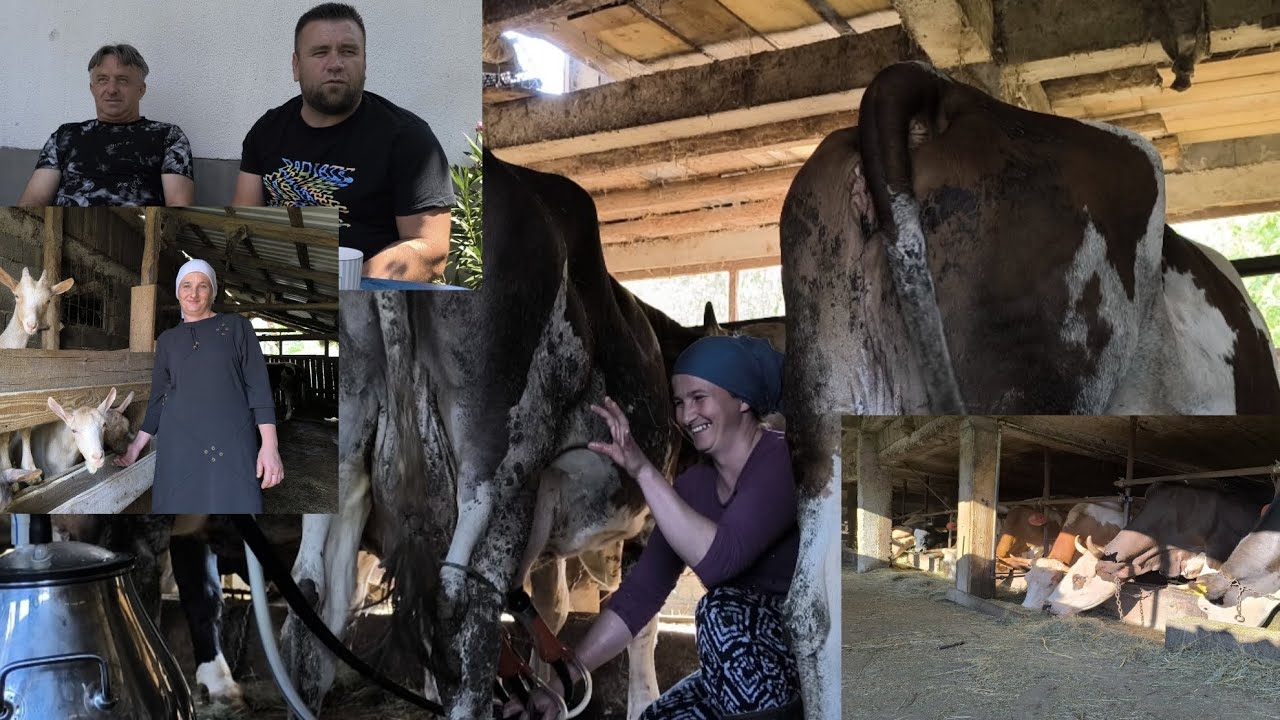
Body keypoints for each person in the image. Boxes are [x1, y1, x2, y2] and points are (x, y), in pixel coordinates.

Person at [507, 335, 802, 720]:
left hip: (804, 654)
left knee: (720, 611)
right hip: (743, 671)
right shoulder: (693, 487)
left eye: (699, 398)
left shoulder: (782, 457)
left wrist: (643, 470)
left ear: (742, 399)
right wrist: (564, 679)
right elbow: (639, 596)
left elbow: (721, 560)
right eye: (679, 403)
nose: (686, 416)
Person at [232, 2, 455, 283]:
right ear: (296, 66)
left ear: (364, 63)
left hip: (367, 298)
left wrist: (347, 284)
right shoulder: (266, 131)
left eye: (348, 52)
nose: (335, 64)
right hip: (284, 287)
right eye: (320, 52)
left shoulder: (409, 139)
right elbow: (244, 221)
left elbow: (430, 250)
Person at [114, 259, 283, 513]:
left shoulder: (237, 327)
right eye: (186, 286)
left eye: (202, 286)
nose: (193, 293)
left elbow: (259, 387)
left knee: (237, 506)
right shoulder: (168, 340)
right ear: (177, 292)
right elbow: (159, 397)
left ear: (212, 292)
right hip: (178, 445)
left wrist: (270, 446)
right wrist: (135, 448)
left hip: (232, 441)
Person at [17, 44, 195, 207]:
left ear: (141, 89)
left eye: (123, 80)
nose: (111, 89)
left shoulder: (168, 136)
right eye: (102, 79)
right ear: (92, 88)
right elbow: (34, 200)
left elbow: (178, 207)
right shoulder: (65, 136)